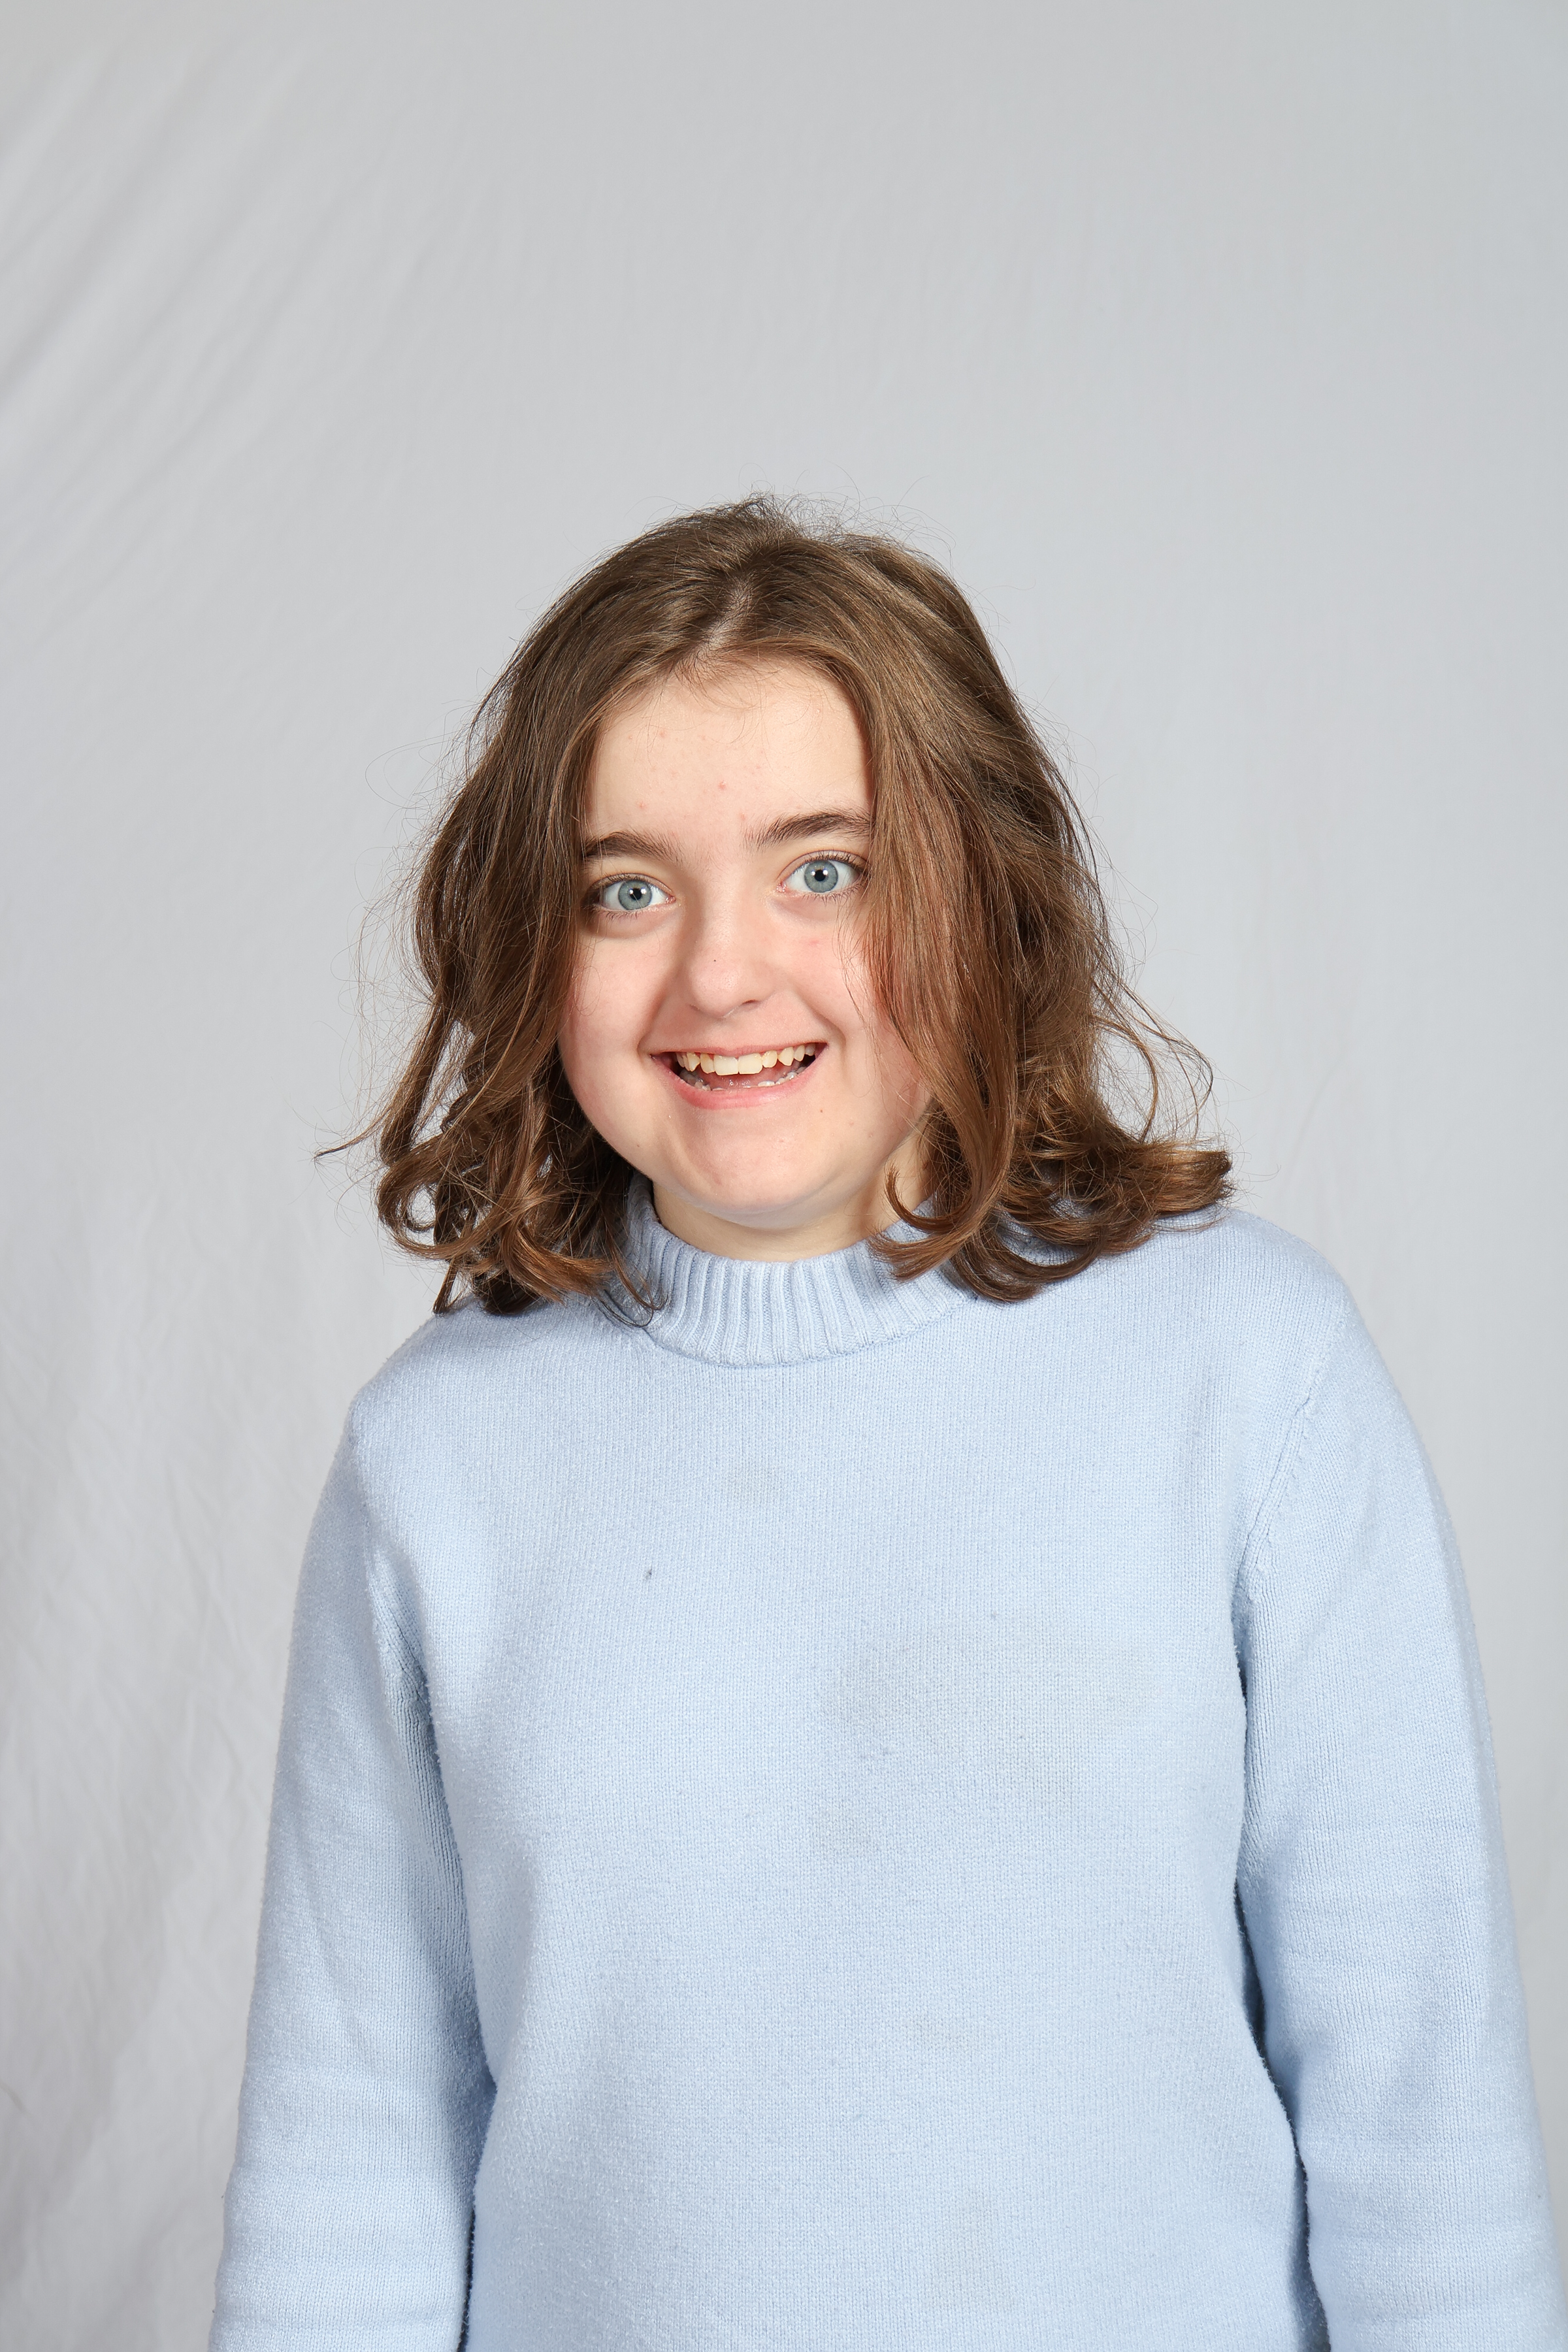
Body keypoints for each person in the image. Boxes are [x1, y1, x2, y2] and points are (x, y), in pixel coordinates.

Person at [210, 498, 1567, 2351]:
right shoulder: (434, 1468)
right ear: (537, 945)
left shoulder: (1250, 1371)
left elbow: (1421, 2117)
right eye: (626, 889)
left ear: (978, 893)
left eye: (825, 870)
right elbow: (352, 2157)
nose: (721, 974)